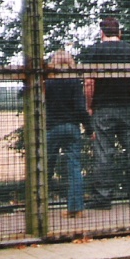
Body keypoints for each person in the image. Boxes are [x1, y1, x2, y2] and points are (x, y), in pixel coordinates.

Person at [79, 17, 130, 209]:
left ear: (101, 33)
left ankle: (103, 197)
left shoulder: (94, 52)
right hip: (128, 107)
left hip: (103, 108)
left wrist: (89, 106)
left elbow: (89, 82)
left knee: (104, 152)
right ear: (119, 33)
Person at [45, 51, 91, 218]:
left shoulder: (47, 82)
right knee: (74, 167)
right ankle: (76, 208)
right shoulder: (74, 81)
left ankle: (39, 206)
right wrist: (89, 127)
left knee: (46, 166)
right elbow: (80, 108)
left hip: (52, 127)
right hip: (71, 127)